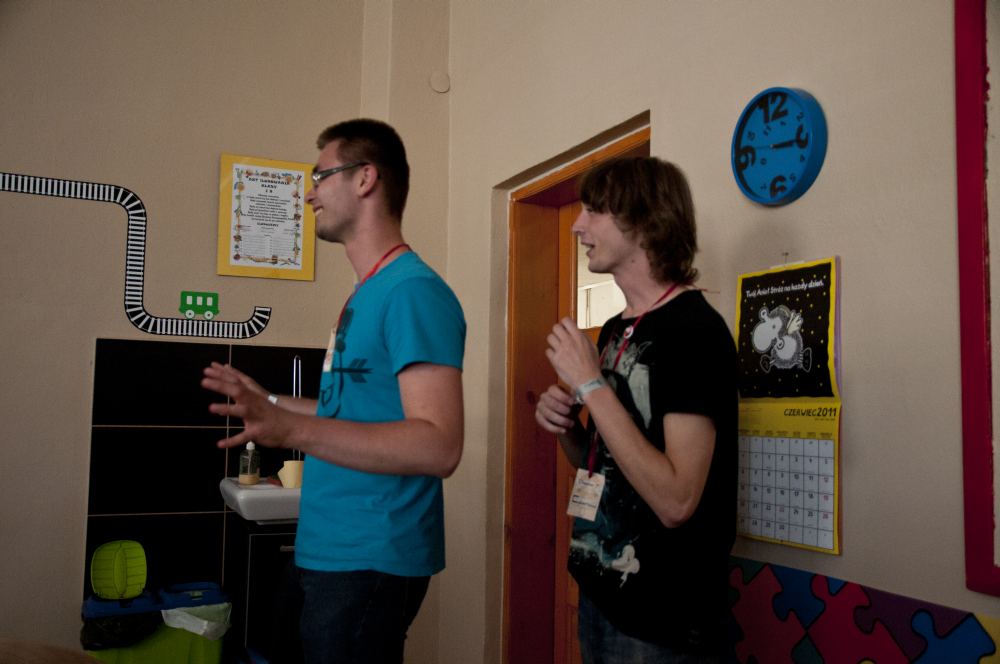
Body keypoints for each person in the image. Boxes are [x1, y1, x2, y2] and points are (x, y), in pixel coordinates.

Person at [202, 119, 466, 664]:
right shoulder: (368, 292)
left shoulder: (413, 292)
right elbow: (349, 410)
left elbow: (439, 446)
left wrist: (292, 429)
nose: (308, 193)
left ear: (365, 178)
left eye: (320, 176)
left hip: (369, 554)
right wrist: (269, 402)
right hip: (329, 546)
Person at [534, 156, 737, 662]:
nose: (578, 226)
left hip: (661, 619)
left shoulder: (694, 331)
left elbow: (676, 501)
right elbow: (600, 463)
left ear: (645, 220)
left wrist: (590, 384)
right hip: (600, 593)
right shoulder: (614, 330)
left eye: (594, 210)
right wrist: (566, 426)